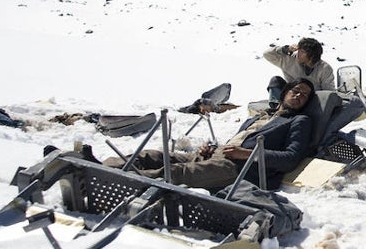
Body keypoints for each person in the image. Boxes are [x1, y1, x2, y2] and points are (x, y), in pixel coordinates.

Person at [103, 79, 315, 191]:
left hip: (240, 169)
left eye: (304, 95)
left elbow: (290, 159)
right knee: (152, 156)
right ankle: (98, 167)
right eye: (295, 90)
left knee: (176, 172)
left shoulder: (299, 121)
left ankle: (109, 181)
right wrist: (213, 148)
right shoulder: (261, 116)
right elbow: (238, 141)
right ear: (285, 92)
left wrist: (246, 154)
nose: (298, 95)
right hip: (218, 156)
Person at [264, 37, 335, 106]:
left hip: (310, 100)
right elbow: (267, 54)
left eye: (302, 52)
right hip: (291, 95)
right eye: (299, 50)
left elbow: (328, 92)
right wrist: (284, 49)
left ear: (312, 56)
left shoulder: (325, 68)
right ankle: (276, 107)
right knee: (276, 81)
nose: (298, 53)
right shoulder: (290, 58)